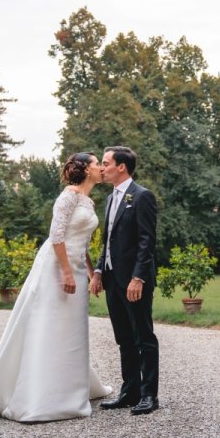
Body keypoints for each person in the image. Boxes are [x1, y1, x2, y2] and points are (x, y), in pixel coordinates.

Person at [0, 152, 112, 422]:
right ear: (86, 170)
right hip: (56, 268)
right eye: (97, 164)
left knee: (72, 328)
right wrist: (65, 272)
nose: (101, 167)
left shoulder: (88, 200)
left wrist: (90, 273)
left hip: (76, 267)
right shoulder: (68, 196)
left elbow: (83, 242)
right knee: (49, 325)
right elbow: (57, 236)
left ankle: (71, 384)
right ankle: (41, 393)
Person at [89, 146, 160, 415]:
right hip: (111, 279)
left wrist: (138, 277)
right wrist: (97, 272)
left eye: (106, 163)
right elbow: (107, 241)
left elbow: (147, 242)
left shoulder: (142, 197)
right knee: (124, 338)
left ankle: (149, 396)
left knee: (144, 337)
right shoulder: (110, 199)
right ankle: (130, 391)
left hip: (134, 281)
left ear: (121, 167)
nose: (102, 168)